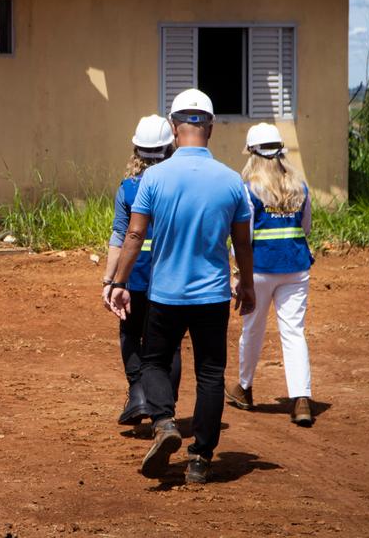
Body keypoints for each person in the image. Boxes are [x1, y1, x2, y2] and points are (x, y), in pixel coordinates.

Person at [106, 89, 255, 484]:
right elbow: (242, 242)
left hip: (165, 293)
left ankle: (165, 421)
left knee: (154, 360)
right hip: (213, 296)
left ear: (174, 129)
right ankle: (201, 460)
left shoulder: (153, 178)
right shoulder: (231, 181)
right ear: (211, 128)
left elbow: (134, 236)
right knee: (210, 373)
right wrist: (249, 285)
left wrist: (119, 282)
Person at [225, 123, 316, 426]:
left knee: (252, 328)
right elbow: (306, 228)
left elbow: (242, 237)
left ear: (252, 153)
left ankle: (244, 388)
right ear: (280, 152)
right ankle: (301, 400)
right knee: (294, 332)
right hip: (296, 266)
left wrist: (240, 274)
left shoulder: (247, 188)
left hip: (260, 269)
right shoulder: (299, 185)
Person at [101, 114, 180, 435]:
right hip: (171, 276)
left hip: (134, 276)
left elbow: (120, 236)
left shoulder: (128, 189)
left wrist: (109, 280)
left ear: (136, 149)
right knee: (170, 344)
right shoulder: (177, 185)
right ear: (170, 148)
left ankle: (139, 394)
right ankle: (165, 408)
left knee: (131, 334)